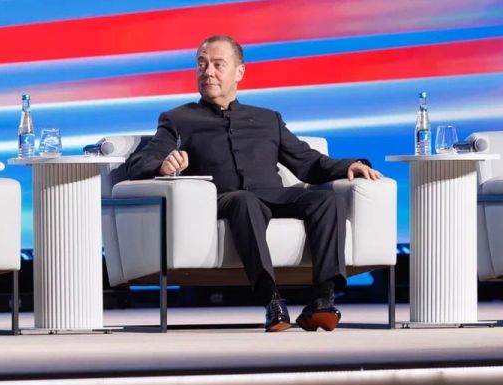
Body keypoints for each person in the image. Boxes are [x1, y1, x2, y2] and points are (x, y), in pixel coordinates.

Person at [127, 35, 383, 332]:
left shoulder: (268, 119)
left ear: (239, 72)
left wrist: (349, 165)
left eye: (218, 65)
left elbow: (308, 163)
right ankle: (272, 300)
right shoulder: (178, 119)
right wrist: (163, 164)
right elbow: (139, 162)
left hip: (273, 195)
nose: (208, 72)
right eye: (201, 64)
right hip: (224, 199)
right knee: (244, 201)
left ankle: (323, 301)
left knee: (328, 201)